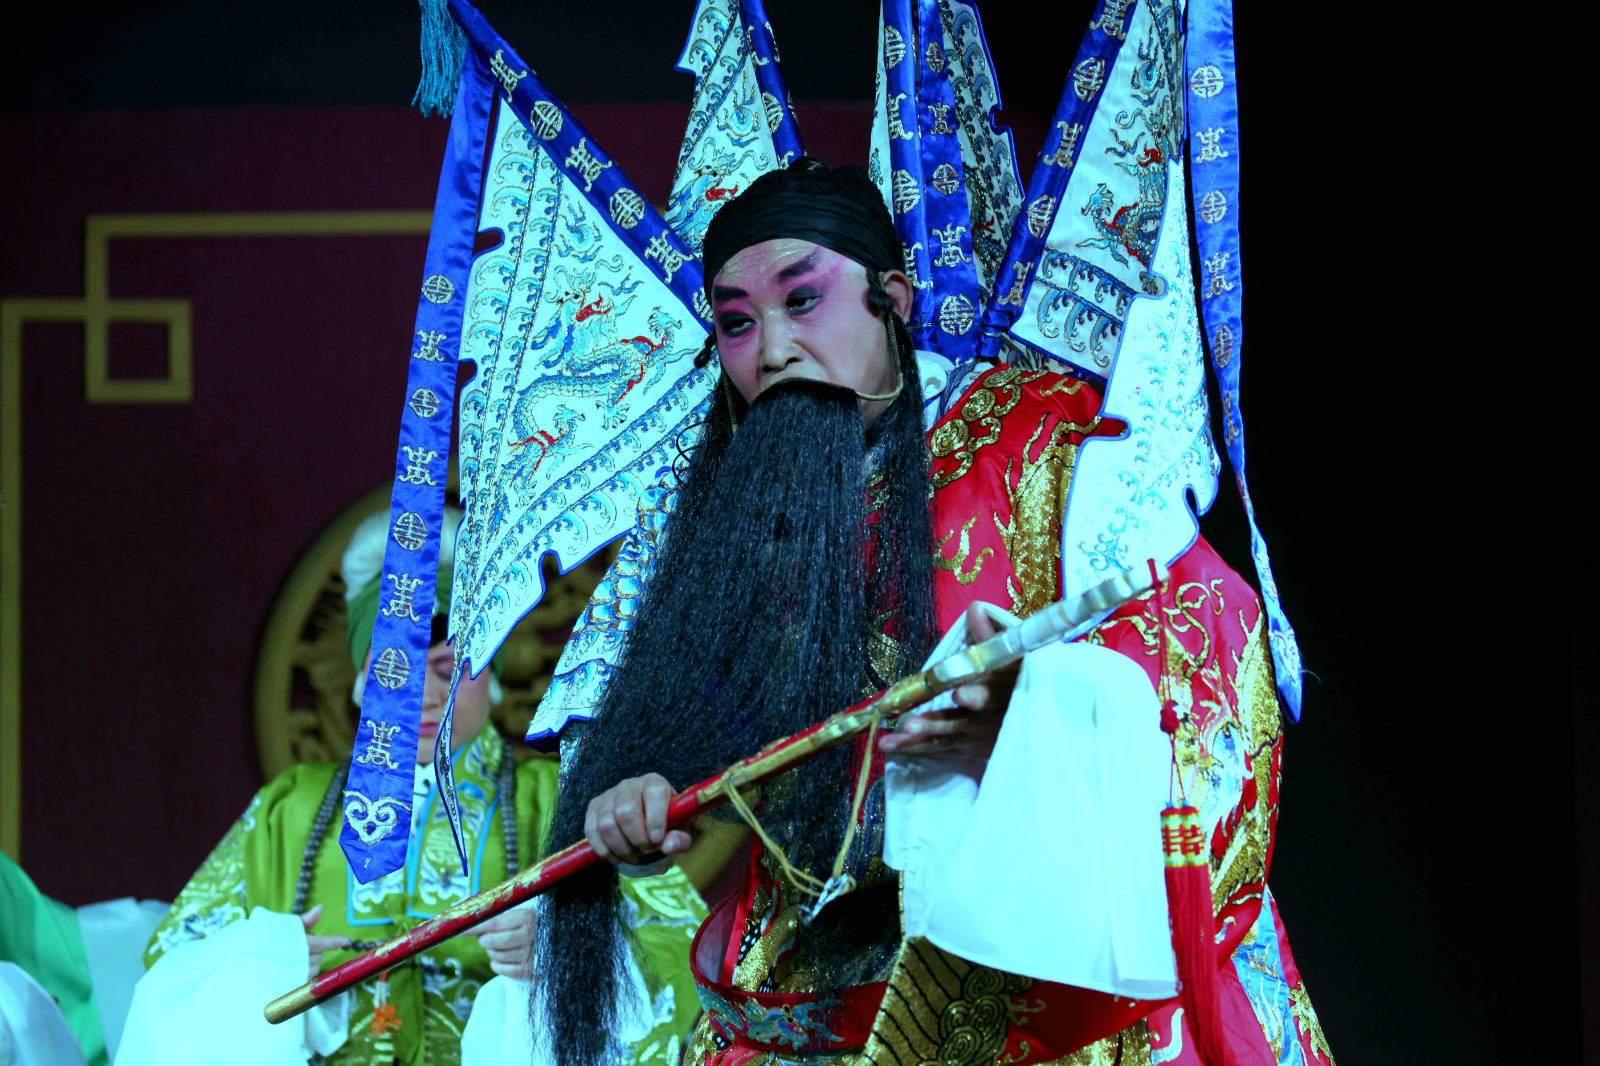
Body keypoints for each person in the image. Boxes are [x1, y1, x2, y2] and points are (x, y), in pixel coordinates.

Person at [535, 161, 1334, 1066]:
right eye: (737, 322)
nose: (774, 348)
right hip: (827, 992)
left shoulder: (1039, 441)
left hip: (1053, 980)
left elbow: (1206, 664)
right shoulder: (741, 522)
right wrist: (640, 803)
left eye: (803, 301)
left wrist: (1031, 724)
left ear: (893, 300)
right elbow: (715, 763)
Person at [120, 509, 706, 1066]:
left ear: (492, 677)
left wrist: (568, 955)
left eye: (449, 671)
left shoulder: (560, 802)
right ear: (359, 681)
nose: (423, 696)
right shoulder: (289, 810)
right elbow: (172, 967)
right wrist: (262, 963)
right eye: (392, 670)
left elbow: (682, 953)